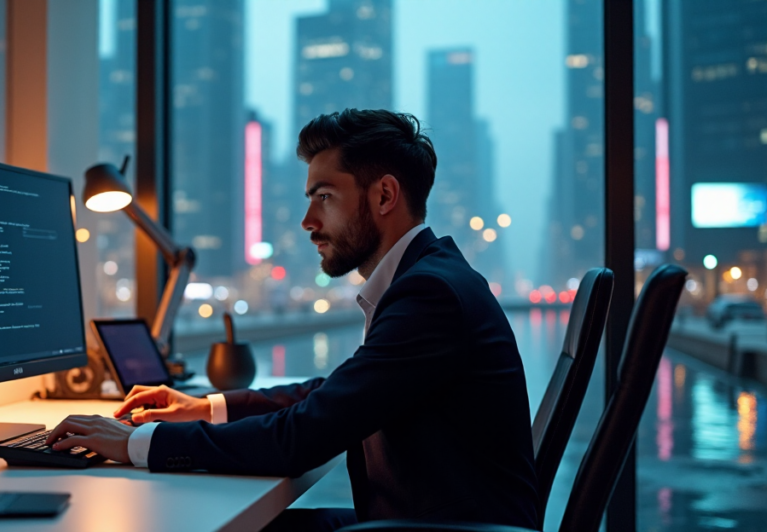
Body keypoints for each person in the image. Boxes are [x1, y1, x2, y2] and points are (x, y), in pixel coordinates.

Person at [46, 109, 539, 531]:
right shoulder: (428, 278)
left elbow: (305, 436)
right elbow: (334, 393)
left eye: (323, 196)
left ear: (384, 196)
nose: (307, 220)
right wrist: (205, 407)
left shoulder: (429, 294)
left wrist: (137, 442)